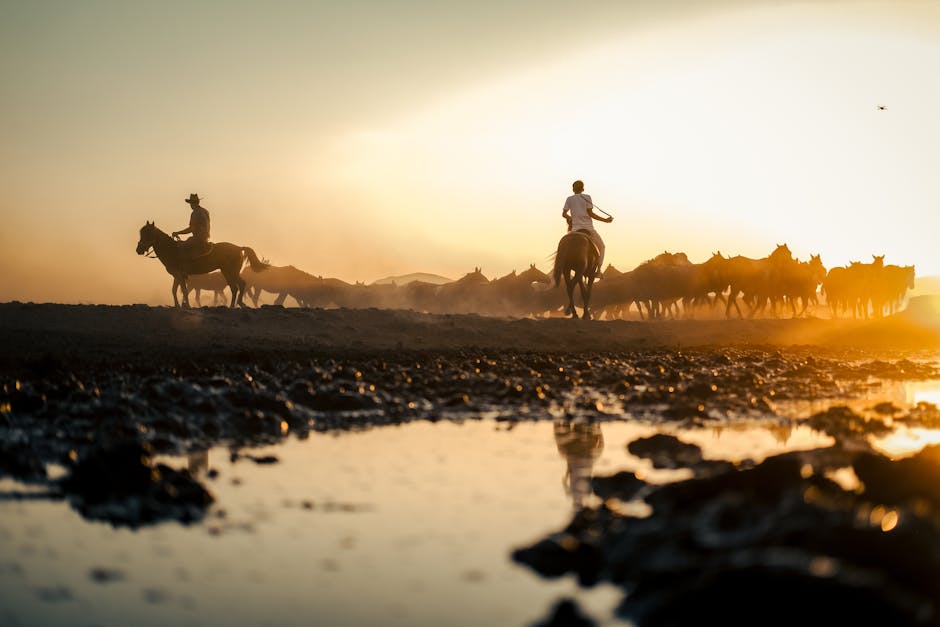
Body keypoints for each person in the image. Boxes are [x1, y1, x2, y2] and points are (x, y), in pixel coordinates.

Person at [561, 180, 612, 274]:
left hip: (574, 230)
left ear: (573, 189)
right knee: (602, 246)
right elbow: (590, 213)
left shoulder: (569, 199)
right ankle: (599, 270)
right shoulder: (587, 198)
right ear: (583, 188)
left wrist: (570, 218)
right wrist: (605, 220)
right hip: (589, 228)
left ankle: (562, 264)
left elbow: (564, 214)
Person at [172, 193, 211, 259]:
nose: (190, 205)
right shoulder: (205, 211)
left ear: (192, 203)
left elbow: (191, 229)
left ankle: (187, 267)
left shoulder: (195, 213)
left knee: (181, 247)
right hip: (205, 237)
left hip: (198, 238)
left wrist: (177, 232)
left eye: (190, 203)